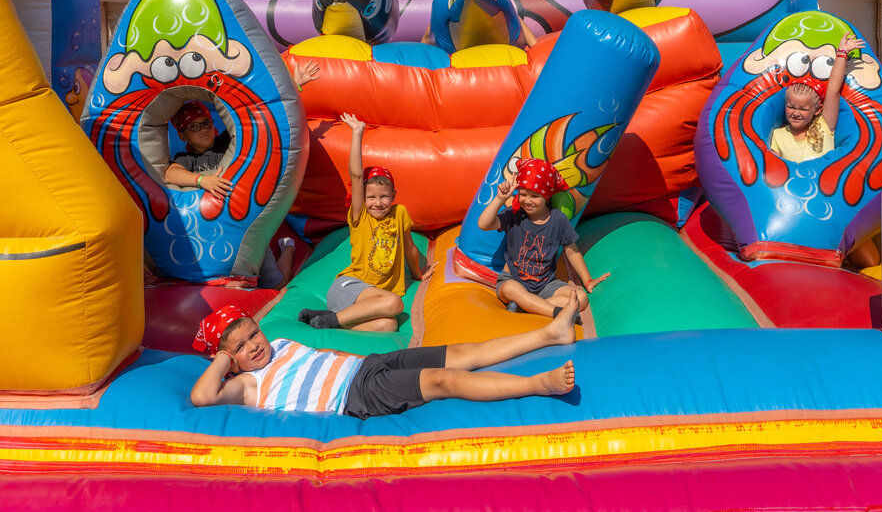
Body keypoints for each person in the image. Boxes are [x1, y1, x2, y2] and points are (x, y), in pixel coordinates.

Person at [190, 299, 578, 416]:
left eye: (253, 333)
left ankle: (549, 332)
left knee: (462, 352)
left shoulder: (282, 344)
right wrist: (223, 360)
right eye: (240, 347)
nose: (254, 345)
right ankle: (537, 384)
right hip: (357, 396)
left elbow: (326, 355)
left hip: (368, 365)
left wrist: (373, 360)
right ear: (229, 360)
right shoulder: (245, 383)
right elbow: (203, 398)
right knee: (444, 382)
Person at [161, 60, 320, 288]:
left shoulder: (226, 143)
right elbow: (169, 173)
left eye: (206, 123)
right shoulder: (186, 160)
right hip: (212, 229)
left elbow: (262, 120)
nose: (203, 130)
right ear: (184, 135)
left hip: (243, 225)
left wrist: (295, 84)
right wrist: (202, 180)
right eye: (194, 127)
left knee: (277, 284)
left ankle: (288, 248)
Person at [297, 113, 430, 331]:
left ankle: (329, 319)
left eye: (384, 197)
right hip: (349, 287)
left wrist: (419, 274)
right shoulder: (361, 217)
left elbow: (410, 247)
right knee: (395, 303)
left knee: (389, 325)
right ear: (363, 199)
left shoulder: (400, 213)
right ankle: (334, 317)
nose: (378, 203)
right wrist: (357, 133)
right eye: (371, 197)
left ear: (394, 195)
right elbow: (357, 176)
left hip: (369, 303)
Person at [477, 158, 610, 318]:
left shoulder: (558, 219)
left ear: (546, 195)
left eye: (535, 196)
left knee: (580, 298)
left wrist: (587, 280)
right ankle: (558, 313)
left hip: (545, 285)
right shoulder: (514, 215)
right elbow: (484, 224)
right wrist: (500, 198)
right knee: (511, 289)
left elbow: (572, 251)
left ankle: (525, 306)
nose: (527, 200)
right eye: (523, 194)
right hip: (513, 280)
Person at [768, 33, 865, 163]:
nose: (796, 113)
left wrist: (842, 53)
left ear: (818, 109)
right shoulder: (778, 135)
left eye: (803, 109)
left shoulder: (824, 125)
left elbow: (833, 90)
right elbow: (776, 167)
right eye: (791, 107)